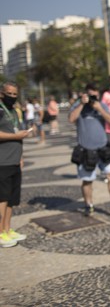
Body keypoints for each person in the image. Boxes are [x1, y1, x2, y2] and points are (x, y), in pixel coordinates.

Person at [69, 83, 110, 216]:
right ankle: (88, 205)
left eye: (95, 95)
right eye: (90, 95)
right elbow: (71, 119)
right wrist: (82, 104)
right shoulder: (79, 106)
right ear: (84, 95)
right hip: (86, 148)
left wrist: (99, 108)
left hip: (103, 147)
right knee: (87, 179)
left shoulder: (102, 105)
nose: (93, 98)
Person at [0, 81, 29, 247]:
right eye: (8, 93)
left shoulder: (13, 111)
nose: (12, 97)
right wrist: (16, 137)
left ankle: (7, 229)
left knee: (11, 198)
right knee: (2, 198)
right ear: (1, 93)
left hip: (14, 160)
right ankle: (0, 233)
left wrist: (20, 156)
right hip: (2, 161)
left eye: (14, 94)